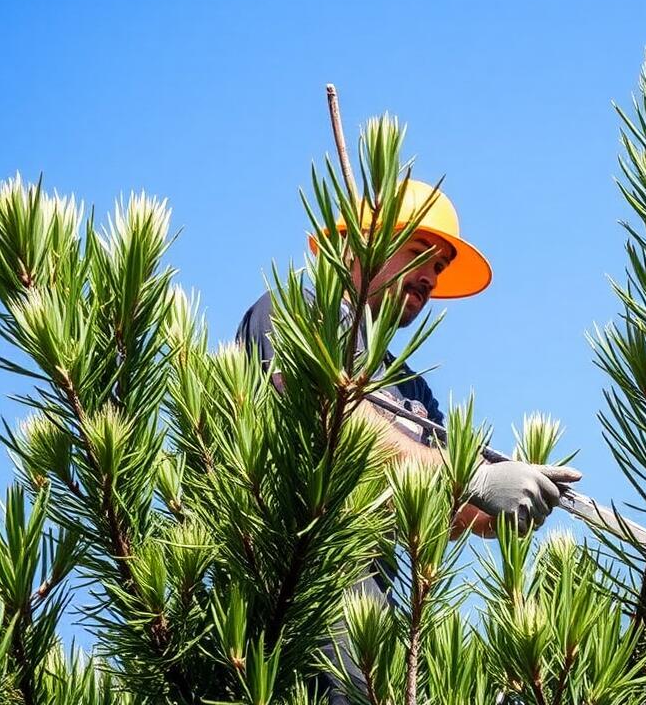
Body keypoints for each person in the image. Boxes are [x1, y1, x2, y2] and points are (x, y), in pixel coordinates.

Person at [235, 180, 580, 699]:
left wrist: (507, 507)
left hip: (368, 620)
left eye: (439, 269)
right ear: (359, 247)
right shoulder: (297, 311)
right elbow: (339, 425)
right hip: (286, 588)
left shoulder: (411, 389)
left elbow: (445, 511)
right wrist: (476, 475)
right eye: (420, 254)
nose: (429, 279)